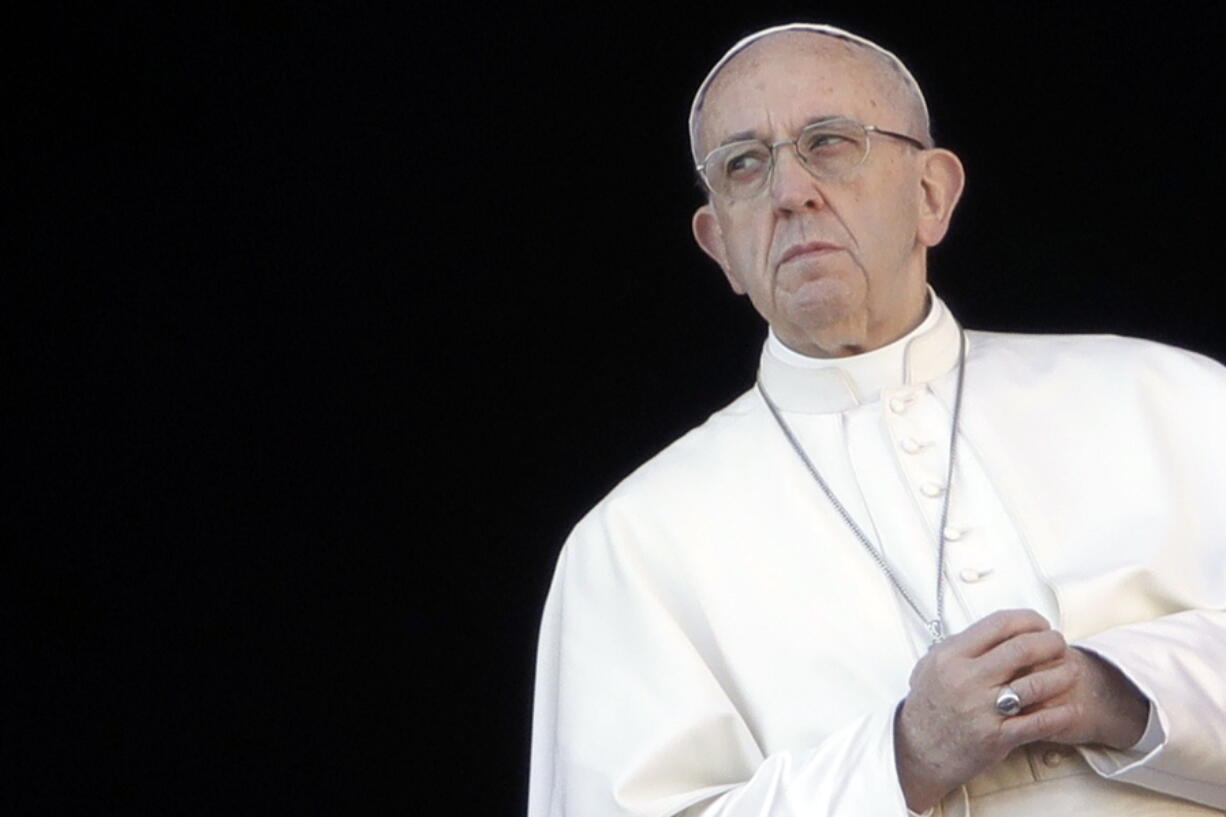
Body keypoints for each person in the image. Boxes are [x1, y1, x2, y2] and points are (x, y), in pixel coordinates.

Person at [528, 23, 1226, 817]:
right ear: (719, 243)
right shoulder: (629, 545)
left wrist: (1118, 692)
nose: (790, 192)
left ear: (932, 194)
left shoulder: (1170, 398)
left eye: (829, 142)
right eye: (744, 164)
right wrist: (903, 756)